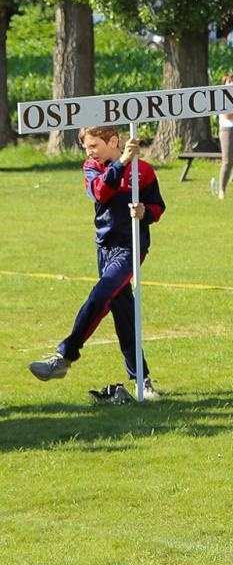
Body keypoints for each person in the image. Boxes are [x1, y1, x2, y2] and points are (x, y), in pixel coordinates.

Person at [27, 125, 164, 399]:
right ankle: (142, 381)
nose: (89, 152)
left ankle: (64, 356)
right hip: (104, 248)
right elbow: (100, 193)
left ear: (112, 140)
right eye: (87, 148)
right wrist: (122, 162)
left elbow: (158, 207)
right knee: (124, 313)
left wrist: (144, 211)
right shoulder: (91, 167)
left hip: (130, 247)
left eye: (94, 146)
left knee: (101, 294)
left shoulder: (144, 170)